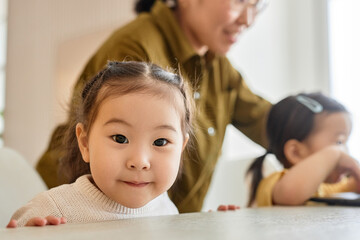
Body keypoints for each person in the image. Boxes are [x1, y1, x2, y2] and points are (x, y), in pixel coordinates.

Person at [36, 0, 272, 213]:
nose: (248, 19)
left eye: (256, 5)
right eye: (240, 1)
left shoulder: (220, 68)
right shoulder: (135, 49)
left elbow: (269, 123)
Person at [7, 61, 193, 227]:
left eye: (160, 142)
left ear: (181, 149)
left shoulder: (166, 208)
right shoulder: (52, 210)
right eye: (120, 138)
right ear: (85, 143)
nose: (139, 161)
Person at [246, 92, 360, 207]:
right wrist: (334, 153)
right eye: (339, 142)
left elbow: (352, 186)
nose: (344, 152)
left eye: (345, 143)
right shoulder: (274, 183)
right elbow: (290, 193)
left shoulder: (327, 187)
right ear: (296, 153)